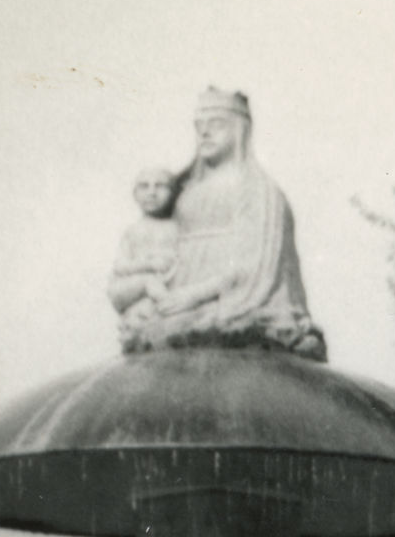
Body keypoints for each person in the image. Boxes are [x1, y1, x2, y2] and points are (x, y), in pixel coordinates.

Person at [114, 87, 326, 360]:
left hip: (232, 300)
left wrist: (192, 296)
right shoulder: (185, 190)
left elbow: (254, 266)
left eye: (216, 125)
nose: (204, 133)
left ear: (239, 130)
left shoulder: (257, 190)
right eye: (199, 126)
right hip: (174, 297)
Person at [108, 166, 185, 353]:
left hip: (162, 285)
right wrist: (148, 265)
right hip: (128, 288)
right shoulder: (134, 231)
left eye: (160, 186)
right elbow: (119, 266)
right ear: (135, 194)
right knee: (149, 282)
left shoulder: (178, 228)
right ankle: (168, 305)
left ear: (173, 193)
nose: (151, 192)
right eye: (144, 186)